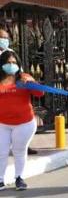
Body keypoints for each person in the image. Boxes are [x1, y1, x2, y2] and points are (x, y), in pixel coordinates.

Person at [0, 50, 44, 190]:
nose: (11, 65)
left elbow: (39, 93)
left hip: (24, 123)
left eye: (14, 63)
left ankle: (19, 178)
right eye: (8, 62)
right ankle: (0, 180)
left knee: (19, 150)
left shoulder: (23, 78)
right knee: (1, 151)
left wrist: (32, 82)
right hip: (2, 123)